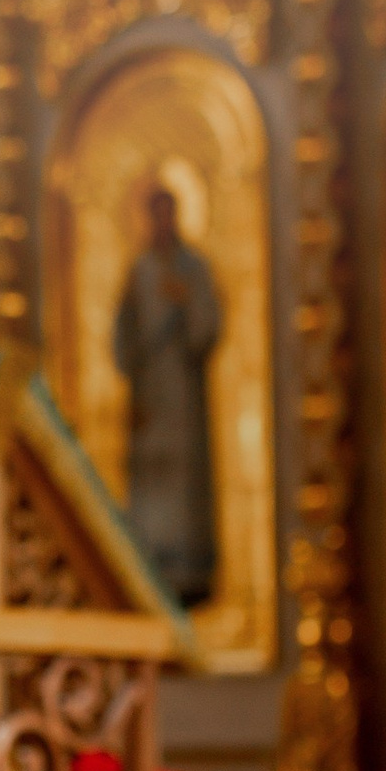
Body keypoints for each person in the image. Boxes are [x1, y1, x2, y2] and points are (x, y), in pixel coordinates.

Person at [114, 175, 223, 604]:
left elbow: (206, 330)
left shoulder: (194, 269)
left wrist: (188, 301)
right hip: (150, 399)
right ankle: (149, 576)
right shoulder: (139, 271)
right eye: (155, 213)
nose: (163, 221)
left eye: (168, 212)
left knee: (186, 486)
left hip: (186, 402)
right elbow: (123, 336)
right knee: (151, 487)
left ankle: (193, 578)